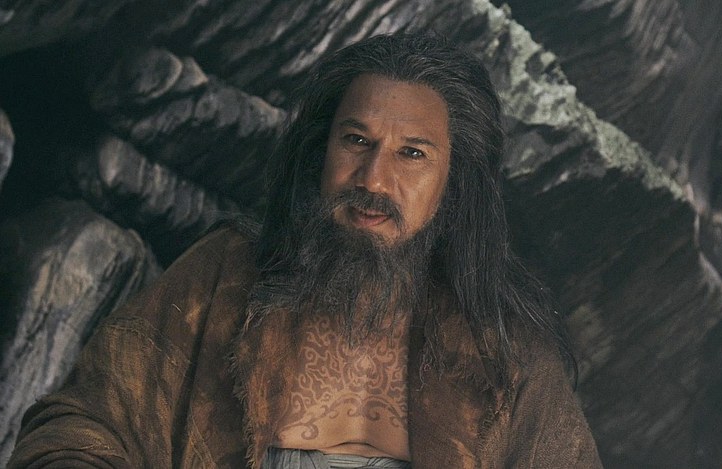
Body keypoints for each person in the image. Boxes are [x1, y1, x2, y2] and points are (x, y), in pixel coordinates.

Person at [8, 33, 602, 468]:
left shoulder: (505, 350)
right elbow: (86, 420)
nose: (373, 178)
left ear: (456, 182)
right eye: (356, 140)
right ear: (321, 152)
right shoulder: (225, 275)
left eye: (412, 153)